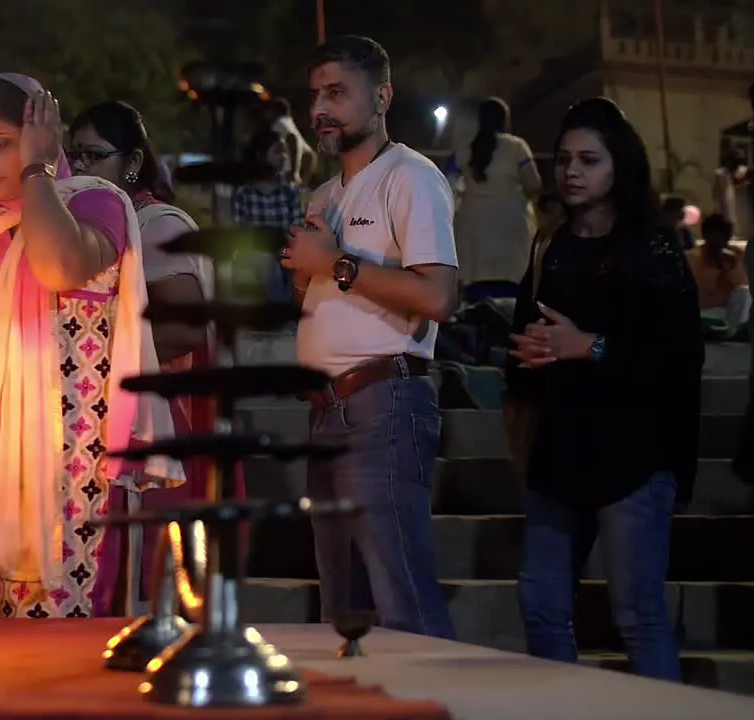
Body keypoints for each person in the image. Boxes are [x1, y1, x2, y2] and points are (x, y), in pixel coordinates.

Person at [0, 73, 182, 619]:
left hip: (73, 467)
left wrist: (38, 172)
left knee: (57, 647)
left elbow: (57, 265)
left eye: (2, 145)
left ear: (43, 136)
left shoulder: (97, 203)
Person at [508, 97, 701, 681]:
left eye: (589, 160)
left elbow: (677, 358)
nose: (571, 171)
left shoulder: (653, 249)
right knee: (540, 606)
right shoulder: (550, 246)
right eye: (564, 158)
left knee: (638, 615)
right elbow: (524, 339)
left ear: (619, 166)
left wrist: (588, 345)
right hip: (559, 452)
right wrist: (531, 352)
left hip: (635, 456)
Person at [280, 35, 457, 639]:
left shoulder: (410, 177)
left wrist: (336, 263)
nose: (319, 109)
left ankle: (439, 701)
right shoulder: (325, 195)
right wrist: (307, 276)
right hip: (325, 412)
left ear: (381, 97)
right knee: (345, 609)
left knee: (400, 598)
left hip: (382, 402)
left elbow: (437, 298)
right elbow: (320, 298)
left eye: (336, 93)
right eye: (314, 96)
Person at [68, 99, 217, 611]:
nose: (80, 168)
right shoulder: (100, 226)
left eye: (92, 155)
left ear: (131, 164)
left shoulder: (158, 225)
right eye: (74, 157)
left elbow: (182, 328)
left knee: (144, 579)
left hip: (155, 423)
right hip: (104, 418)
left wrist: (94, 357)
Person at [448, 97, 543, 303]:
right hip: (511, 228)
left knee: (478, 302)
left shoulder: (464, 148)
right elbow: (534, 184)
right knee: (511, 302)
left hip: (472, 231)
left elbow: (447, 182)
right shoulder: (517, 147)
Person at [232, 129, 305, 303]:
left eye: (285, 151)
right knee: (264, 261)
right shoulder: (244, 193)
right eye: (278, 150)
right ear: (260, 155)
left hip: (285, 253)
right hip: (256, 255)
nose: (284, 156)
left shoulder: (290, 193)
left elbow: (297, 230)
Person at [686, 213, 750, 339]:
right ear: (705, 236)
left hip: (724, 314)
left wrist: (726, 269)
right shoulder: (692, 258)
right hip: (701, 313)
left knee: (744, 292)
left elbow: (738, 292)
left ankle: (733, 331)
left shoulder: (732, 259)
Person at [264, 97, 317, 186]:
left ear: (274, 111)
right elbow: (311, 156)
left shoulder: (280, 123)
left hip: (284, 179)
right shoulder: (289, 123)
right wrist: (305, 180)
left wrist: (294, 173)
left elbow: (293, 138)